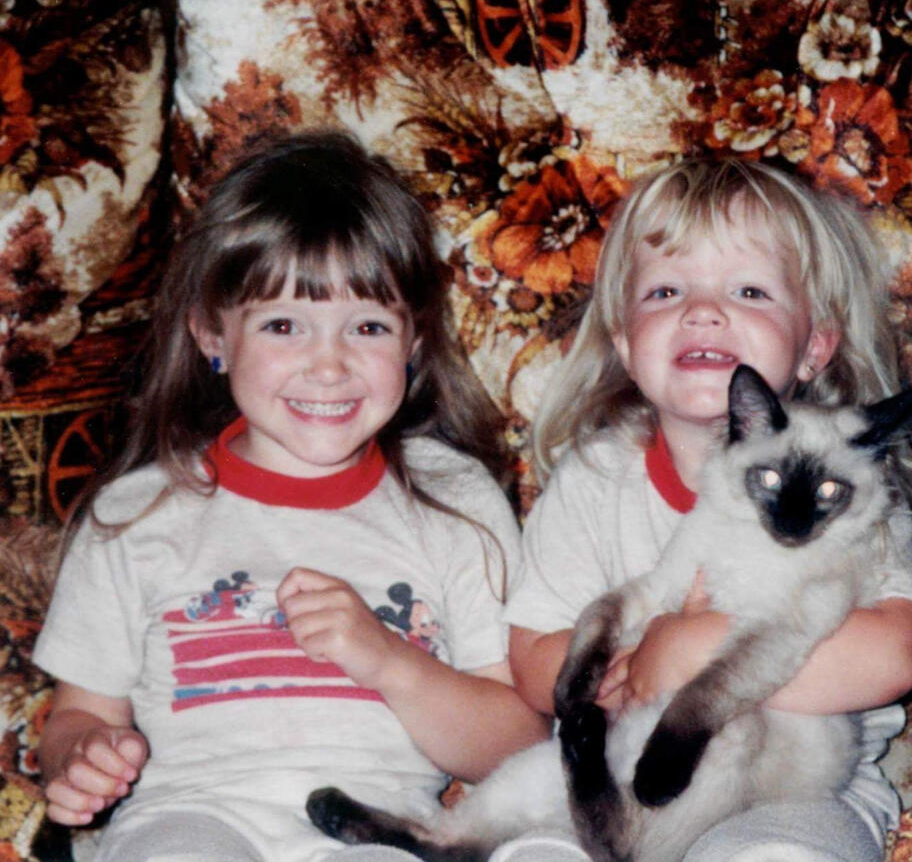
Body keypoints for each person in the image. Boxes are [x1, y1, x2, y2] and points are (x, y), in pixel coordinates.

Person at [34, 132, 547, 862]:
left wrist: (388, 661)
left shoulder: (454, 503)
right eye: (283, 324)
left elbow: (517, 745)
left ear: (414, 341)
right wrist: (83, 755)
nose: (329, 364)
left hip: (379, 825)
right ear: (213, 332)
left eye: (367, 326)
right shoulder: (136, 512)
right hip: (188, 812)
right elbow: (78, 712)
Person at [503, 159, 912, 862]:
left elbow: (892, 656)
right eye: (667, 289)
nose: (702, 310)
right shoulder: (595, 477)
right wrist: (633, 657)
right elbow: (532, 662)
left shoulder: (851, 486)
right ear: (623, 340)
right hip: (623, 763)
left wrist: (689, 646)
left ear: (815, 345)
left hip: (801, 792)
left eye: (748, 289)